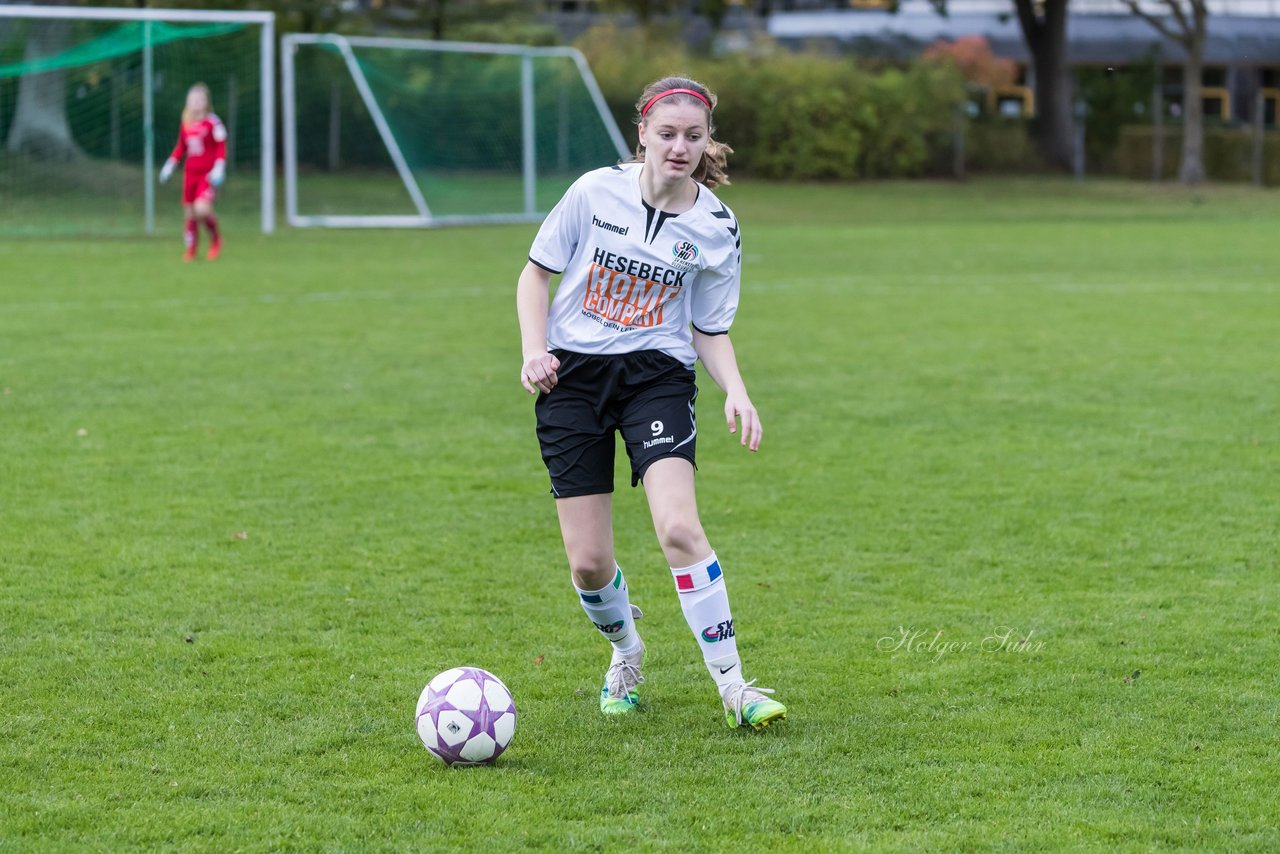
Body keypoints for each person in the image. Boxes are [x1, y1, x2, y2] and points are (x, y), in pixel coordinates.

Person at [516, 75, 786, 731]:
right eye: (666, 134)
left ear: (706, 141)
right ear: (641, 134)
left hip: (656, 376)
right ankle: (626, 654)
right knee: (587, 562)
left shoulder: (718, 228)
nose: (679, 146)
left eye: (693, 136)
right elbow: (535, 274)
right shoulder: (593, 191)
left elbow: (711, 328)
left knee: (677, 527)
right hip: (571, 378)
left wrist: (738, 392)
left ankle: (734, 688)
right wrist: (533, 350)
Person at [159, 83, 226, 262]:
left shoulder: (213, 122)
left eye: (199, 100)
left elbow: (221, 146)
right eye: (192, 100)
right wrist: (170, 165)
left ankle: (216, 239)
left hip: (207, 175)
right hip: (190, 174)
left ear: (206, 102)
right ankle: (192, 250)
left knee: (202, 209)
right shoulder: (186, 123)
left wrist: (219, 167)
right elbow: (181, 147)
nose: (196, 103)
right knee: (190, 213)